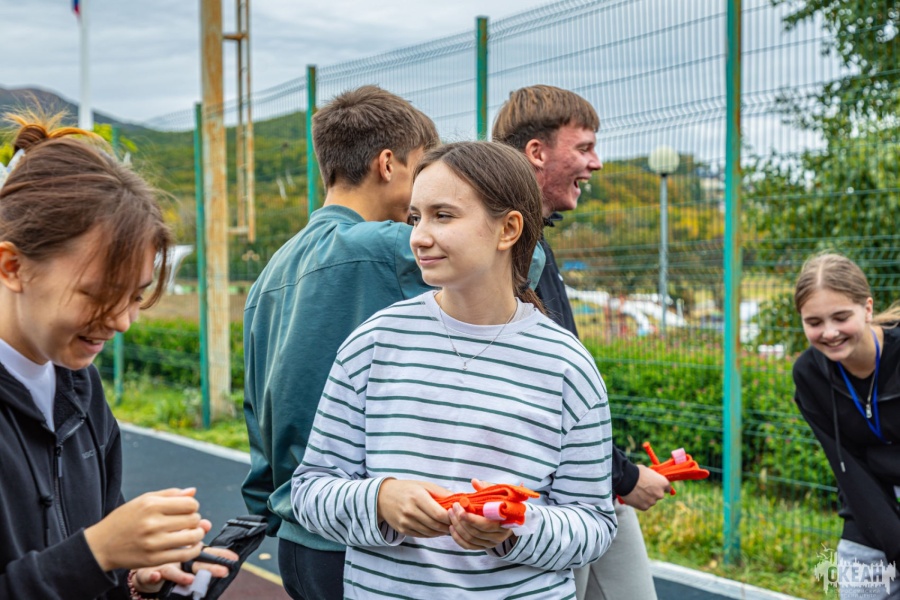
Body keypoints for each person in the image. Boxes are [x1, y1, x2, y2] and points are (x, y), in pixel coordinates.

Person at [292, 140, 616, 598]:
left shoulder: (567, 367)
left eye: (442, 216)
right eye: (415, 218)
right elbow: (309, 491)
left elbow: (595, 525)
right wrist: (380, 498)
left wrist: (515, 527)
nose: (419, 237)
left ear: (508, 229)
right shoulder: (374, 342)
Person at [0, 111, 236, 599]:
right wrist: (97, 553)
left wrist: (136, 574)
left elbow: (95, 551)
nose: (123, 321)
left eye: (135, 295)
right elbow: (86, 554)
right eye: (100, 293)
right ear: (12, 267)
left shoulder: (81, 388)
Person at [241, 85, 440, 600]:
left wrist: (269, 507)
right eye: (423, 170)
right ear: (388, 164)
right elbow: (515, 256)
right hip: (366, 537)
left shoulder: (271, 273)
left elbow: (257, 407)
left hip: (297, 536)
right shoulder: (389, 248)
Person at [493, 84, 670, 599]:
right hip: (548, 494)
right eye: (585, 147)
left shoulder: (535, 243)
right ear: (537, 152)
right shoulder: (509, 251)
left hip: (586, 476)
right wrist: (623, 475)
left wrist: (615, 472)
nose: (596, 163)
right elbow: (541, 388)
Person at [793, 253, 900, 599]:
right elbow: (849, 469)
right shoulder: (808, 374)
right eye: (814, 322)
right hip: (869, 508)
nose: (829, 332)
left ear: (867, 309)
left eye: (841, 317)